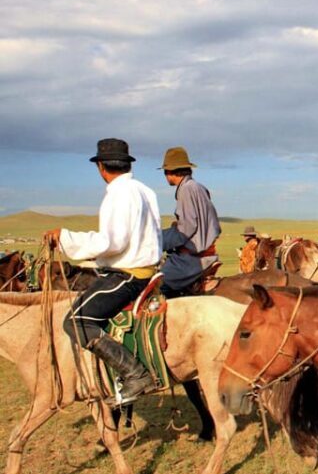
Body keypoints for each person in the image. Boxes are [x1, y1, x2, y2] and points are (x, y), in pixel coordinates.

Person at [44, 138, 162, 405]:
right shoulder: (144, 190)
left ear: (101, 167)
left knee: (75, 321)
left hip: (128, 274)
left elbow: (112, 242)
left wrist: (64, 238)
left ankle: (134, 373)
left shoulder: (119, 194)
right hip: (146, 270)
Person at [158, 147, 221, 296]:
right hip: (204, 252)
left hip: (191, 259)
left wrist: (157, 240)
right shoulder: (198, 187)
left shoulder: (186, 189)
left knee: (157, 283)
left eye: (165, 171)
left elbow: (187, 228)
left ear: (171, 171)